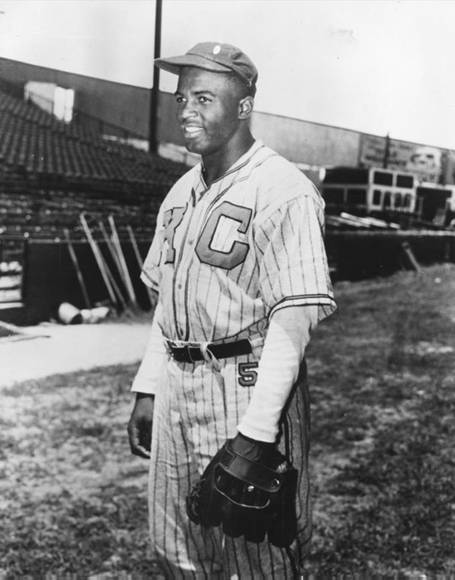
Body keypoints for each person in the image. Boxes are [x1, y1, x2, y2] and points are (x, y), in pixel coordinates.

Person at [127, 41, 336, 579]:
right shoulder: (179, 192)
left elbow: (293, 324)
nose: (187, 112)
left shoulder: (284, 189)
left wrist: (258, 432)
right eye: (181, 99)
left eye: (204, 98)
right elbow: (168, 304)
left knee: (255, 559)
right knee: (175, 551)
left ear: (243, 106)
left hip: (244, 383)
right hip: (177, 381)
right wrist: (149, 386)